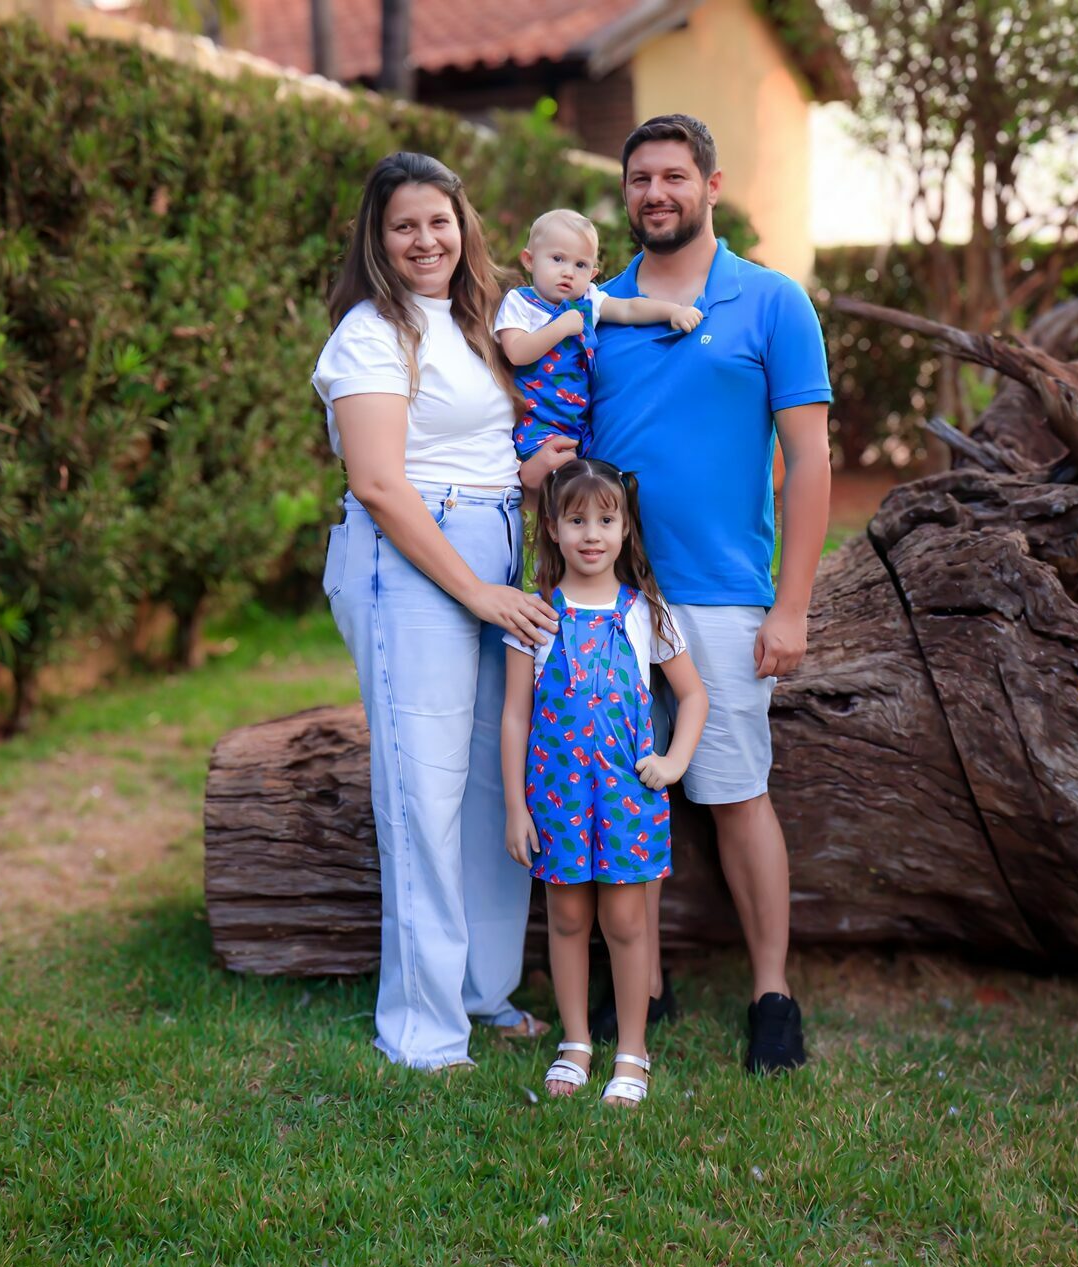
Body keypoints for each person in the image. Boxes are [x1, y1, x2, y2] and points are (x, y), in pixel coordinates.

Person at [520, 115, 833, 1075]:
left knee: (735, 792)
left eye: (674, 176)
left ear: (711, 186)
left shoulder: (773, 301)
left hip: (724, 594)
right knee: (620, 783)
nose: (656, 193)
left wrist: (791, 607)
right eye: (640, 179)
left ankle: (772, 994)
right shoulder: (595, 310)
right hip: (605, 600)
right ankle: (641, 985)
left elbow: (811, 459)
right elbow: (555, 429)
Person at [312, 152, 558, 1072]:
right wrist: (477, 591)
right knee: (424, 791)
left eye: (439, 221)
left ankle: (481, 990)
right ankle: (422, 1028)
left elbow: (485, 444)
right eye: (404, 225)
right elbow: (380, 482)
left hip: (495, 548)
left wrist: (532, 477)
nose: (426, 241)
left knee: (496, 779)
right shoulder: (369, 335)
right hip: (411, 568)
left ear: (464, 227)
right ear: (377, 239)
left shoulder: (475, 320)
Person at [501, 459, 708, 1106]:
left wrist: (673, 763)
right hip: (555, 797)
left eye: (605, 520)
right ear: (552, 529)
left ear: (624, 530)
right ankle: (575, 1043)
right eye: (576, 520)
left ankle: (632, 1051)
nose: (591, 534)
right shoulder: (536, 616)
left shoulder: (647, 613)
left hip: (626, 799)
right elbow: (515, 717)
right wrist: (515, 809)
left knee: (624, 920)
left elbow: (694, 697)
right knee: (566, 917)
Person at [493, 209, 704, 461]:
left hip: (579, 425)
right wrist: (560, 327)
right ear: (529, 260)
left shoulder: (588, 301)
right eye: (558, 259)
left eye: (580, 265)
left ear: (592, 274)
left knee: (591, 476)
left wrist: (673, 312)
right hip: (534, 423)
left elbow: (629, 308)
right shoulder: (520, 302)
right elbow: (517, 352)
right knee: (559, 475)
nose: (568, 272)